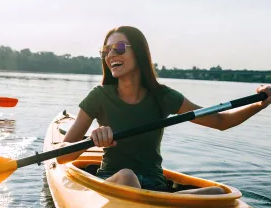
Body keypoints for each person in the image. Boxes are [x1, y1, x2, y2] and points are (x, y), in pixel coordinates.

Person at [60, 26, 271, 195]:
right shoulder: (99, 96)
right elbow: (63, 156)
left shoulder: (164, 97)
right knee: (127, 176)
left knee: (217, 192)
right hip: (113, 182)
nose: (111, 55)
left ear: (140, 52)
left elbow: (221, 121)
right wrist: (92, 138)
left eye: (119, 48)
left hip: (155, 186)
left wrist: (261, 103)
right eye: (106, 51)